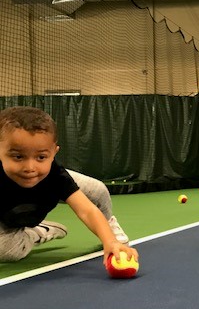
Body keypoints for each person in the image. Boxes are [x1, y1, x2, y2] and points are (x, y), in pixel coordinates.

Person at [0, 106, 138, 265]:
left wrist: (111, 241)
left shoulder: (55, 175)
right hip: (6, 218)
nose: (30, 167)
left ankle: (109, 226)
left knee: (97, 190)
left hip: (46, 186)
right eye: (18, 156)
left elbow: (86, 210)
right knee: (8, 252)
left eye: (41, 157)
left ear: (53, 153)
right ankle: (37, 232)